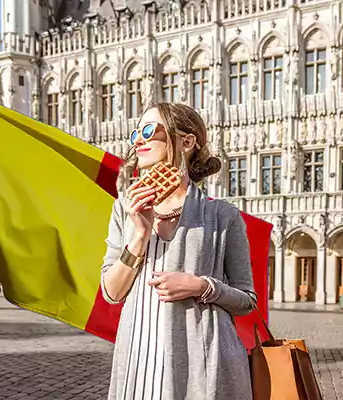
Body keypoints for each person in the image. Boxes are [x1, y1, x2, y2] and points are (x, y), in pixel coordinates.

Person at [101, 102, 256, 400]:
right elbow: (112, 291)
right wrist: (140, 236)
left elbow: (246, 301)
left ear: (186, 141)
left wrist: (202, 286)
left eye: (149, 131)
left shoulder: (222, 216)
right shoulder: (124, 209)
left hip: (204, 364)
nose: (138, 140)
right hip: (139, 360)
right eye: (136, 133)